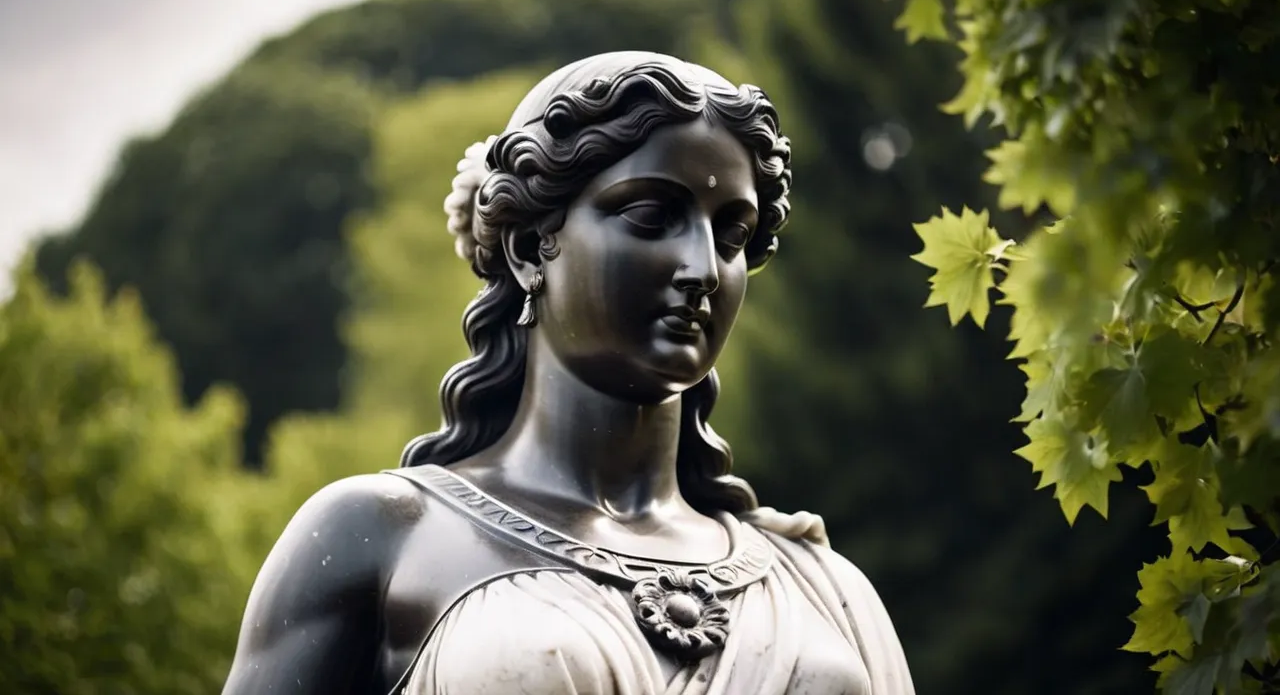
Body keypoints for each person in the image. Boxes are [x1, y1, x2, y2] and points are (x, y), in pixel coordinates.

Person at [222, 51, 914, 695]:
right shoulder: (381, 536)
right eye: (651, 216)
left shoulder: (824, 586)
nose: (702, 269)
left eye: (731, 235)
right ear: (529, 247)